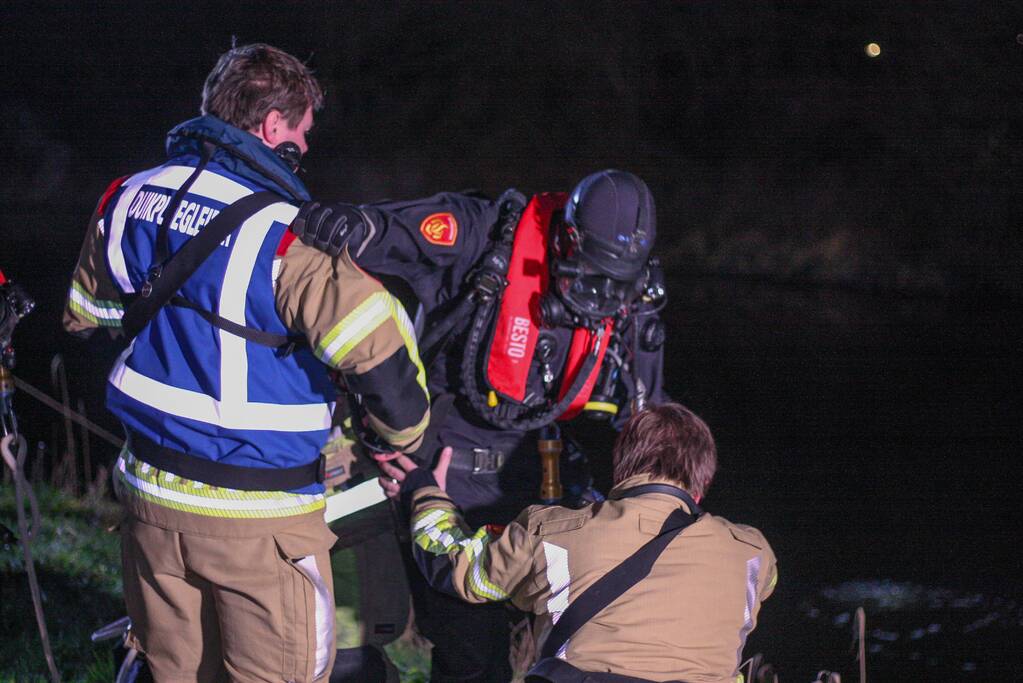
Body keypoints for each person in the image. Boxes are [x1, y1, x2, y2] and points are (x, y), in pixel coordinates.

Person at [63, 43, 429, 683]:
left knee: (172, 672)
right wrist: (397, 437)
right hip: (260, 522)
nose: (307, 150)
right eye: (303, 132)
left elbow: (83, 316)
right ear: (271, 129)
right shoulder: (289, 237)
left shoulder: (126, 197)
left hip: (150, 500)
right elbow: (380, 352)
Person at [292, 170, 669, 680]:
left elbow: (646, 423)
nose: (598, 299)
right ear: (565, 238)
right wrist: (357, 226)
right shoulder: (486, 238)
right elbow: (397, 232)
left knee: (536, 650)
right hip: (437, 473)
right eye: (588, 276)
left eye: (614, 285)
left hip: (541, 481)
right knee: (463, 649)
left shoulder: (632, 303)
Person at [379, 403, 777, 683]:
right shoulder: (753, 553)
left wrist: (425, 492)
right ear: (703, 483)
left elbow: (460, 572)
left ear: (622, 465)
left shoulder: (552, 532)